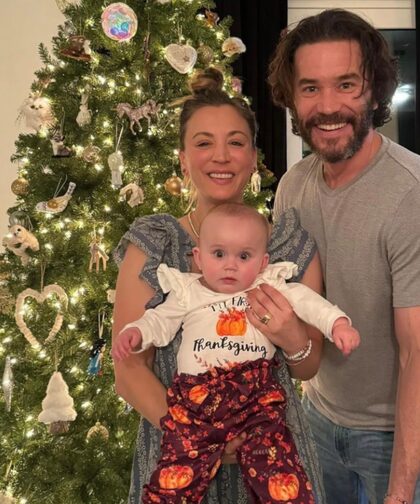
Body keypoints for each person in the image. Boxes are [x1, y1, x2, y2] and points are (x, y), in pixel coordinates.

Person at [112, 67, 328, 503]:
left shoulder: (289, 247)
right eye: (203, 143)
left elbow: (308, 367)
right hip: (178, 456)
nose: (221, 157)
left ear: (253, 157)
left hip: (274, 457)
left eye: (235, 142)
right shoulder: (154, 244)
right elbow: (129, 371)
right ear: (183, 159)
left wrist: (292, 337)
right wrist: (201, 435)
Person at [268, 8, 420, 504]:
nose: (328, 106)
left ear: (374, 91)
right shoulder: (292, 187)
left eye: (346, 85)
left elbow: (416, 353)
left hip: (395, 435)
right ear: (292, 97)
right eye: (310, 88)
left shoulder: (411, 194)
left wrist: (400, 492)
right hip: (317, 415)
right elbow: (292, 309)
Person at [113, 203, 360, 503]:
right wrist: (137, 333)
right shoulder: (188, 291)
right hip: (196, 399)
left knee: (275, 460)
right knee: (176, 470)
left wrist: (338, 324)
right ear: (199, 258)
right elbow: (159, 320)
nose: (230, 265)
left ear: (263, 262)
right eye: (219, 254)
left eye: (243, 256)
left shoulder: (267, 285)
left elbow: (310, 303)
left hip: (255, 394)